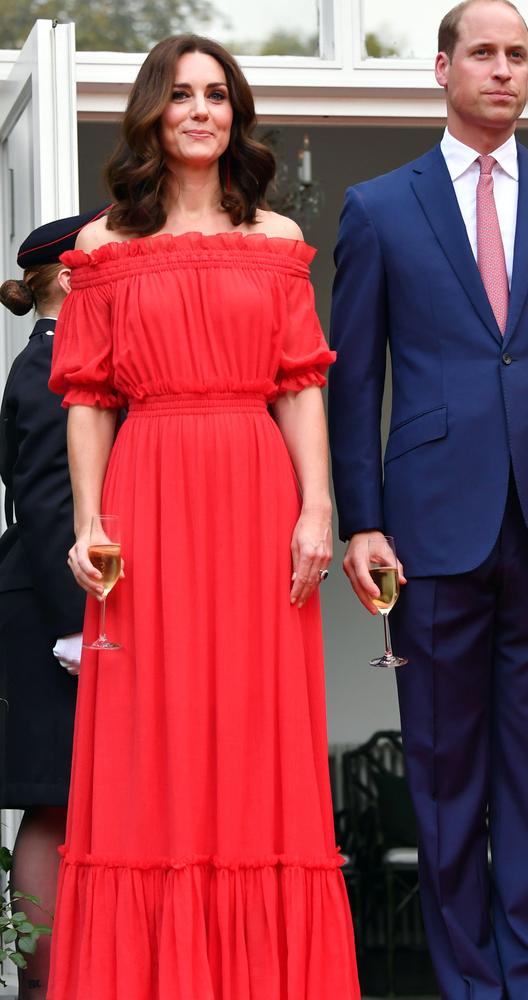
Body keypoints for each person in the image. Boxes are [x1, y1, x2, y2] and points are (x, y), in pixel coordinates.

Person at [328, 1, 528, 997]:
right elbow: (355, 382)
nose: (502, 70)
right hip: (425, 534)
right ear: (440, 68)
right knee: (441, 772)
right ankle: (468, 984)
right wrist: (362, 518)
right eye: (483, 53)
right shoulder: (378, 208)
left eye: (516, 56)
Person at [45, 33, 359, 1000]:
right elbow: (90, 398)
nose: (200, 110)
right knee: (151, 736)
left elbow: (301, 386)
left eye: (217, 95)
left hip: (256, 500)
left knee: (258, 733)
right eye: (180, 94)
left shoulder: (275, 243)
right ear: (152, 111)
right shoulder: (99, 249)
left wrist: (318, 509)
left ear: (235, 116)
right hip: (148, 501)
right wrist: (89, 522)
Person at [0, 207, 108, 1000]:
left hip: (66, 611)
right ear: (71, 276)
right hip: (50, 616)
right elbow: (44, 507)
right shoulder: (46, 367)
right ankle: (41, 986)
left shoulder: (71, 356)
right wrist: (77, 629)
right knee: (55, 802)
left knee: (75, 801)